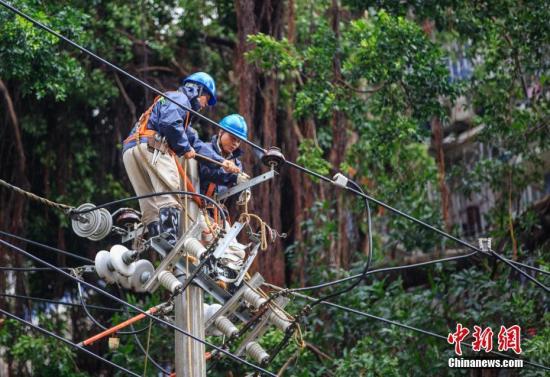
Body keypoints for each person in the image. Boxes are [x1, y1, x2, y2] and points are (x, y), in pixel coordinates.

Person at [122, 72, 217, 244]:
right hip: (152, 146)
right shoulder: (180, 99)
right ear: (197, 90)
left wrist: (222, 162)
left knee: (148, 200)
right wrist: (184, 148)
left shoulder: (172, 105)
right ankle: (169, 237)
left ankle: (156, 235)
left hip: (131, 150)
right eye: (206, 99)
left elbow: (195, 142)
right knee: (170, 190)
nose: (204, 105)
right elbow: (170, 123)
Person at [198, 114, 250, 199]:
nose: (235, 144)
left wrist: (245, 189)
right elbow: (208, 172)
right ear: (221, 132)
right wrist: (234, 178)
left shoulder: (236, 163)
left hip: (218, 209)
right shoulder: (206, 149)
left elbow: (236, 184)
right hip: (198, 204)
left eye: (238, 141)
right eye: (233, 138)